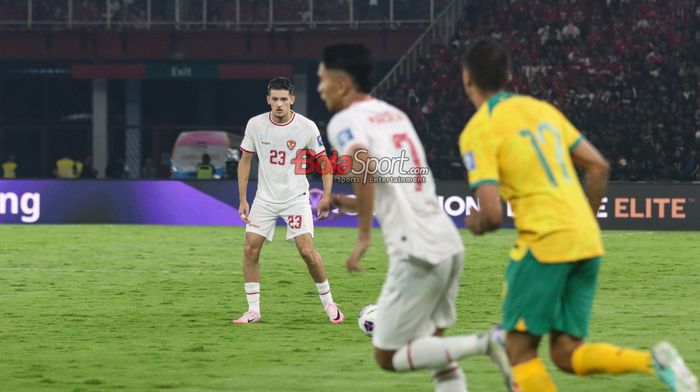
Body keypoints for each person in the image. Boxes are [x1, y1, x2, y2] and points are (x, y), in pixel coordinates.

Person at [458, 38, 698, 392]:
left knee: (518, 350)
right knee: (566, 353)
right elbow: (599, 167)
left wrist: (475, 222)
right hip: (586, 239)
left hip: (544, 243)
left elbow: (492, 214)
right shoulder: (543, 110)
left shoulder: (477, 130)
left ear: (467, 79)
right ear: (509, 75)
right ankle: (654, 362)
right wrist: (581, 222)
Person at [319, 43, 512, 392]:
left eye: (322, 80)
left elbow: (360, 161)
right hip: (447, 243)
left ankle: (489, 343)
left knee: (388, 355)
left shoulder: (345, 122)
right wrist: (341, 202)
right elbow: (394, 186)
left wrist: (363, 235)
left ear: (342, 83)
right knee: (435, 354)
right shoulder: (395, 116)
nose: (319, 89)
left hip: (416, 251)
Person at [232, 76, 344, 325]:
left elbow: (325, 163)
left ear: (292, 100)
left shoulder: (306, 127)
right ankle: (253, 311)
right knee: (250, 249)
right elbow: (246, 161)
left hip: (296, 198)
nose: (279, 104)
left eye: (284, 99)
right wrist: (243, 198)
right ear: (268, 100)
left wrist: (326, 195)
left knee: (307, 252)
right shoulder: (255, 125)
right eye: (275, 99)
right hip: (265, 199)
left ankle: (329, 303)